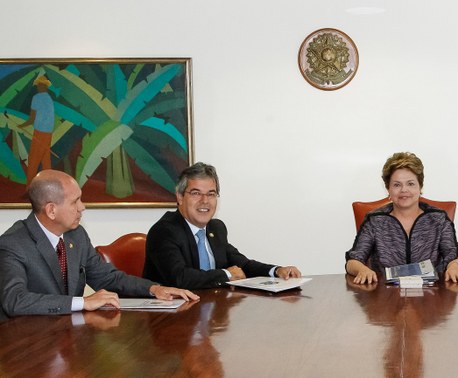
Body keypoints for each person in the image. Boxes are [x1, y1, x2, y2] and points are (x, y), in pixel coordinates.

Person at [0, 170, 198, 317]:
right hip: (29, 345)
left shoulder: (76, 235)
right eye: (75, 201)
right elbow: (15, 300)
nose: (82, 207)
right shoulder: (13, 244)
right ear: (51, 210)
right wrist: (82, 302)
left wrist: (153, 289)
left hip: (67, 338)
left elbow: (108, 278)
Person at [143, 162, 301, 289]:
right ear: (180, 197)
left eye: (211, 194)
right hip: (171, 319)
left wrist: (277, 270)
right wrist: (226, 274)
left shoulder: (216, 228)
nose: (204, 200)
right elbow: (180, 278)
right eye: (196, 193)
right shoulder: (164, 231)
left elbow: (242, 264)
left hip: (211, 313)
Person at [345, 152, 458, 284]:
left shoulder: (438, 219)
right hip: (386, 298)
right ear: (388, 188)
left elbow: (455, 258)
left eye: (410, 184)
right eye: (397, 185)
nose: (404, 190)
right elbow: (353, 261)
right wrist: (362, 270)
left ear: (420, 186)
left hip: (431, 298)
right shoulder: (375, 220)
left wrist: (455, 266)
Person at [18, 75, 55, 185]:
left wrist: (22, 126)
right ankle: (49, 186)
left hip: (40, 132)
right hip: (48, 133)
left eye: (39, 85)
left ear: (43, 86)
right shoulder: (49, 98)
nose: (38, 87)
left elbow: (32, 118)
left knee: (33, 160)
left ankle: (29, 187)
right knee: (45, 160)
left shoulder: (37, 98)